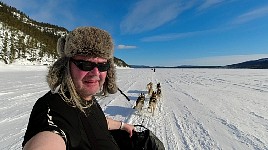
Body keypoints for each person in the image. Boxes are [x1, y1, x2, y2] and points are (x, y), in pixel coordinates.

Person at [22, 27, 135, 150]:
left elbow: (99, 122)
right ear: (66, 66)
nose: (96, 73)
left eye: (103, 65)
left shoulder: (87, 98)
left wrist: (122, 125)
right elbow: (48, 139)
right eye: (85, 64)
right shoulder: (52, 109)